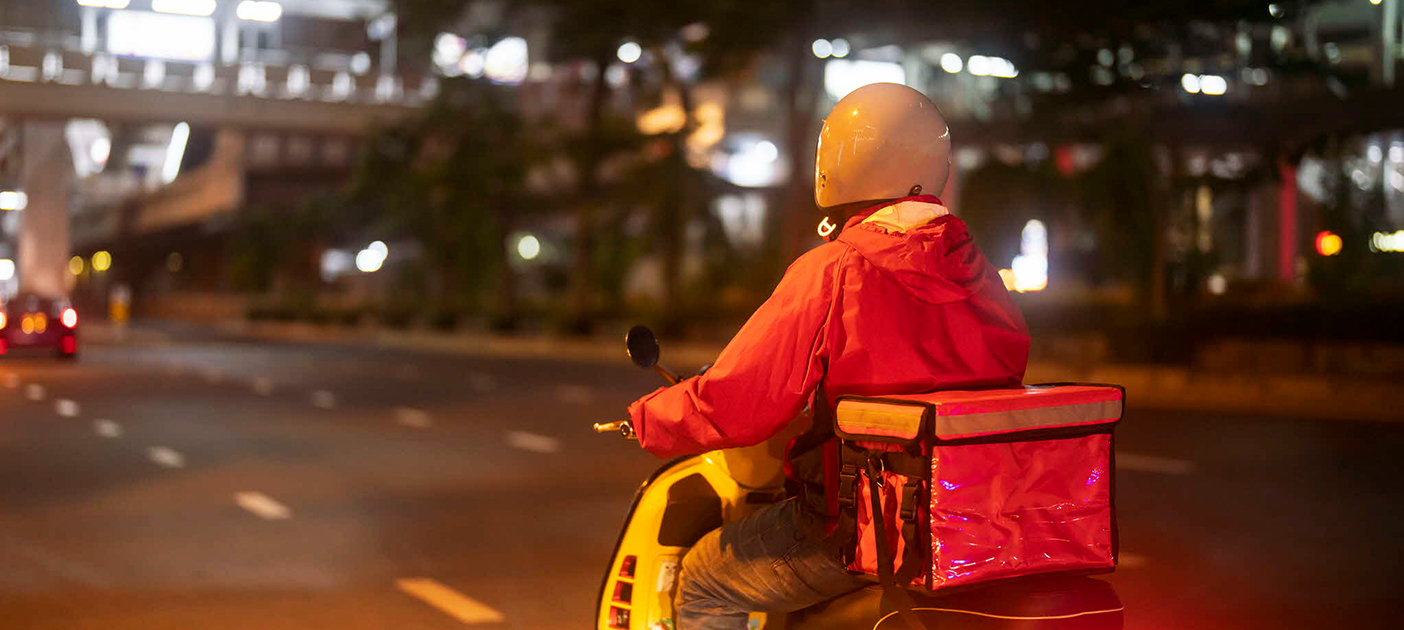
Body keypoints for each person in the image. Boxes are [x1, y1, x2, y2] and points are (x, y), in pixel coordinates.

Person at [625, 82, 1031, 630]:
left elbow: (741, 399)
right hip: (975, 521)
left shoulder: (834, 270)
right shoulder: (978, 272)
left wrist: (649, 417)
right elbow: (1008, 369)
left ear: (839, 162)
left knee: (701, 581)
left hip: (873, 529)